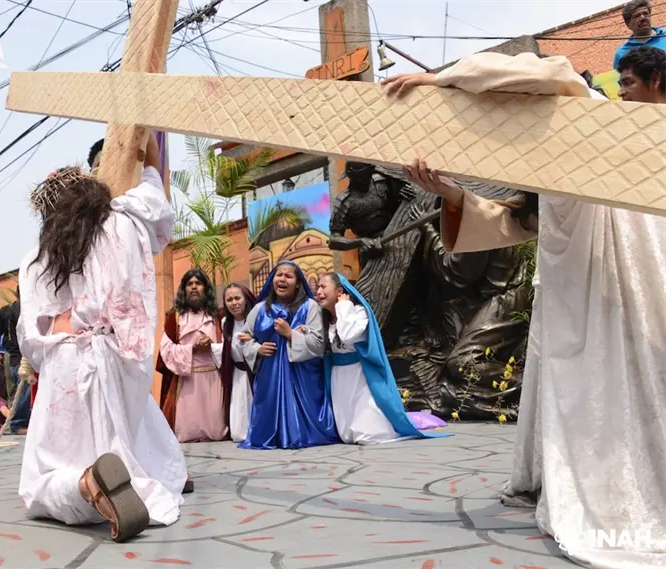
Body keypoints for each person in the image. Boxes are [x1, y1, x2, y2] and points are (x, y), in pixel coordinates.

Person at [382, 49, 666, 569]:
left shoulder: (598, 118)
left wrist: (441, 77)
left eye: (629, 81)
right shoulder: (574, 138)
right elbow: (510, 221)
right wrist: (448, 191)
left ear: (658, 82)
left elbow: (552, 72)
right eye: (619, 82)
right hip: (580, 308)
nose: (621, 90)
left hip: (645, 295)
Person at [16, 134, 187, 543]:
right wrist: (144, 136)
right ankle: (129, 477)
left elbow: (32, 337)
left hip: (63, 368)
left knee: (43, 478)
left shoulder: (35, 259)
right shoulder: (124, 223)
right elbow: (154, 193)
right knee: (126, 433)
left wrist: (44, 356)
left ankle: (85, 485)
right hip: (113, 355)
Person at [315, 273, 448, 444]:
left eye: (323, 287)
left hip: (360, 376)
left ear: (339, 291)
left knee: (367, 435)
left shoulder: (358, 313)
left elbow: (348, 336)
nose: (318, 291)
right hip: (338, 377)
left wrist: (344, 306)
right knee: (346, 435)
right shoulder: (324, 319)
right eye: (318, 287)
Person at [237, 261, 339, 450]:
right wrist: (257, 349)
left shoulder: (310, 307)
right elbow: (243, 339)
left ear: (298, 283)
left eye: (288, 276)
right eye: (279, 275)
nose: (282, 279)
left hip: (303, 378)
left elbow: (319, 344)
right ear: (272, 279)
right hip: (270, 377)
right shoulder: (260, 309)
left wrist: (290, 334)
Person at [157, 269, 227, 443]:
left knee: (217, 433)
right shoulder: (174, 318)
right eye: (190, 284)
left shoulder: (218, 316)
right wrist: (192, 349)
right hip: (186, 379)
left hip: (213, 379)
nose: (194, 287)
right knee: (185, 433)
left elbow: (230, 346)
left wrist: (211, 346)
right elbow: (166, 350)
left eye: (198, 283)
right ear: (184, 289)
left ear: (206, 288)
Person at [211, 283, 256, 443]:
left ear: (245, 299)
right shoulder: (225, 322)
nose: (234, 303)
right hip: (237, 374)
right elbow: (226, 349)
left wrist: (252, 341)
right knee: (238, 433)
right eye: (229, 300)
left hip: (255, 372)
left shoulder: (256, 319)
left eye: (237, 298)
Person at [0, 286, 29, 434]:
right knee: (18, 388)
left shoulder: (32, 308)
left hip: (28, 354)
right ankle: (16, 423)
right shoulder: (6, 310)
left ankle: (20, 421)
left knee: (24, 388)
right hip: (13, 354)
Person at [613, 1, 665, 70]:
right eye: (637, 16)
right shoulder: (621, 53)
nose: (643, 18)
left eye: (645, 13)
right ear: (628, 24)